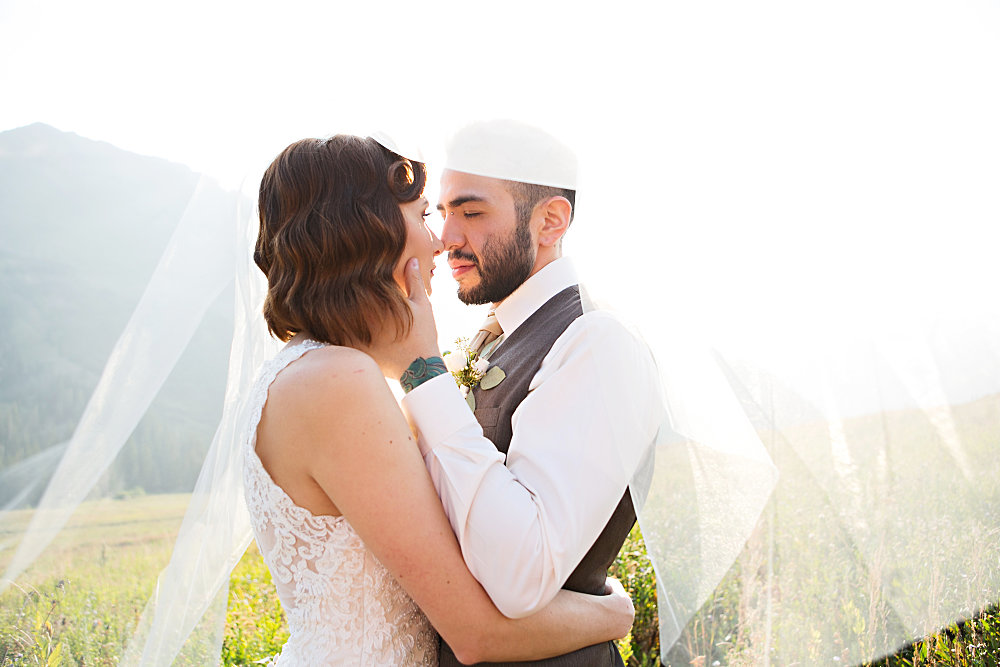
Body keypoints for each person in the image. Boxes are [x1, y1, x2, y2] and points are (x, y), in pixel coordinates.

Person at [244, 134, 635, 665]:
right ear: (365, 231)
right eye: (427, 214)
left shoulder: (301, 371)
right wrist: (610, 615)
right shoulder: (338, 382)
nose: (439, 241)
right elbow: (475, 632)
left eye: (467, 212)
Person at [395, 120, 665, 666]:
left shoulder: (595, 343)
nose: (446, 238)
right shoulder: (488, 339)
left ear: (550, 221)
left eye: (471, 213)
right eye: (441, 213)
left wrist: (423, 374)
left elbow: (523, 576)